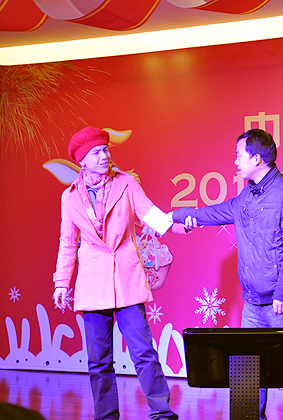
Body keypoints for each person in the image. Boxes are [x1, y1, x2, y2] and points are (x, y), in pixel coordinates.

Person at [171, 128, 283, 420]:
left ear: (257, 158)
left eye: (239, 155)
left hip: (281, 303)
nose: (235, 162)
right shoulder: (247, 195)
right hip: (253, 302)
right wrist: (175, 217)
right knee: (247, 368)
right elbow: (216, 212)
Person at [52, 127, 183, 420]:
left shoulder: (125, 183)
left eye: (105, 150)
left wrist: (173, 225)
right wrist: (61, 283)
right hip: (93, 283)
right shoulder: (70, 197)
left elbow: (148, 212)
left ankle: (162, 413)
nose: (105, 156)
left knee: (143, 352)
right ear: (82, 161)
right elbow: (67, 242)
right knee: (98, 361)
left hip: (126, 278)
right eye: (97, 152)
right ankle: (106, 416)